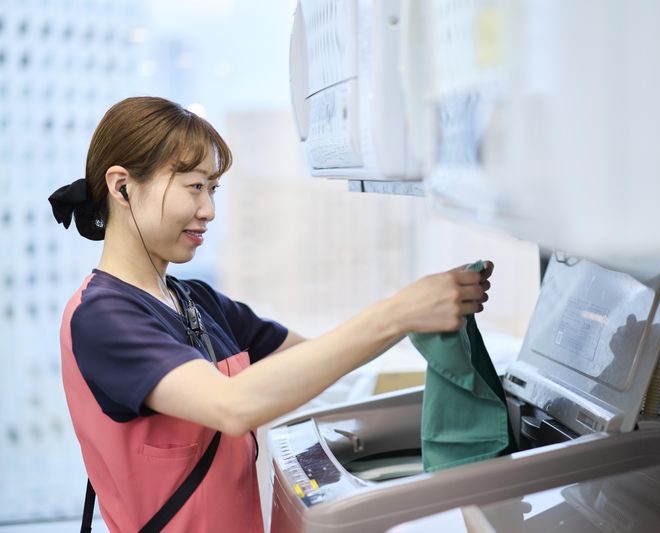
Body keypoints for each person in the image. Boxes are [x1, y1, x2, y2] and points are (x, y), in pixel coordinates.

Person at [48, 96, 493, 532]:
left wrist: (423, 307)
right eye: (194, 187)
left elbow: (312, 360)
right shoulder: (102, 317)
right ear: (122, 185)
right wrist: (399, 313)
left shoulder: (195, 301)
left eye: (213, 188)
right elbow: (232, 405)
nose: (209, 210)